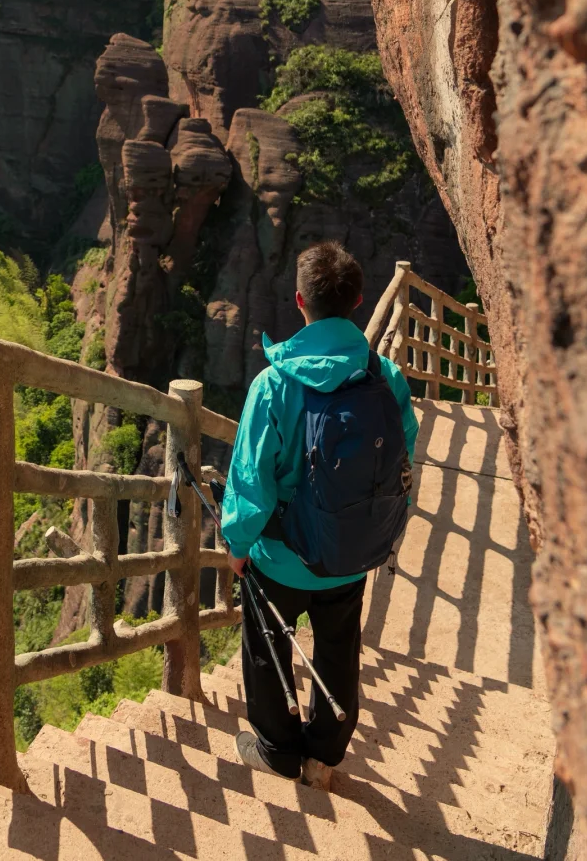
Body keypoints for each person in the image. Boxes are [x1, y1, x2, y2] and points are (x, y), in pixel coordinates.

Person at [221, 240, 418, 791]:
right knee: (337, 652)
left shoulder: (274, 384)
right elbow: (404, 446)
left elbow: (250, 481)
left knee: (268, 653)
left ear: (299, 300)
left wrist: (237, 547)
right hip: (352, 555)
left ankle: (277, 751)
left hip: (282, 558)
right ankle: (324, 757)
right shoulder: (387, 377)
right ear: (358, 301)